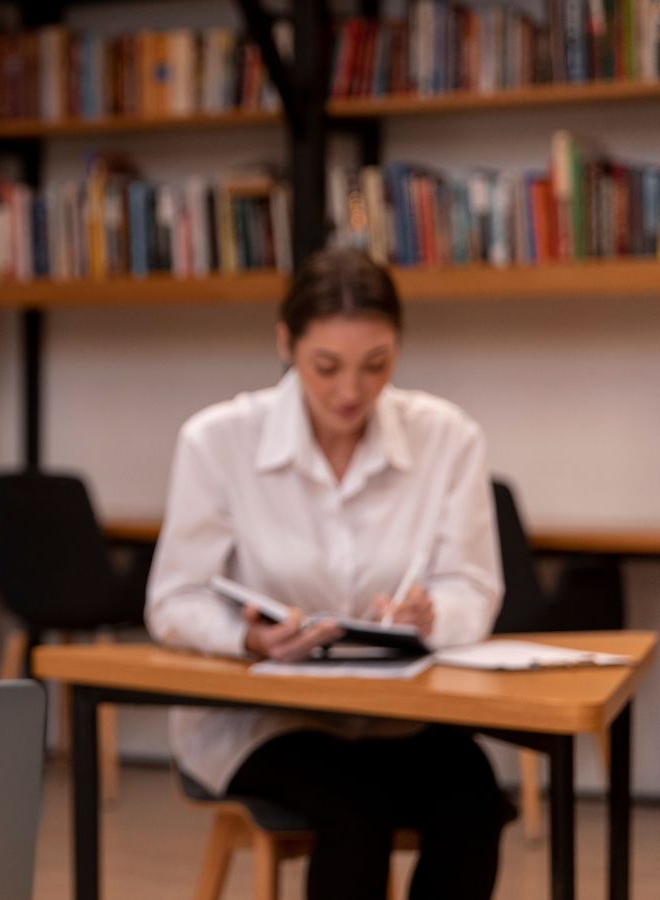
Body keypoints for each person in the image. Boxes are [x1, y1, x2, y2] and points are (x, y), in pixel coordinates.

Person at [146, 248, 514, 899]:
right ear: (285, 342)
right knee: (354, 808)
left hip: (396, 714)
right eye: (326, 368)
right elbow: (175, 598)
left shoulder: (448, 437)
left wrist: (434, 616)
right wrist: (251, 638)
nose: (351, 392)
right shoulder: (218, 440)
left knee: (475, 799)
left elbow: (473, 584)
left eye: (376, 365)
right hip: (264, 721)